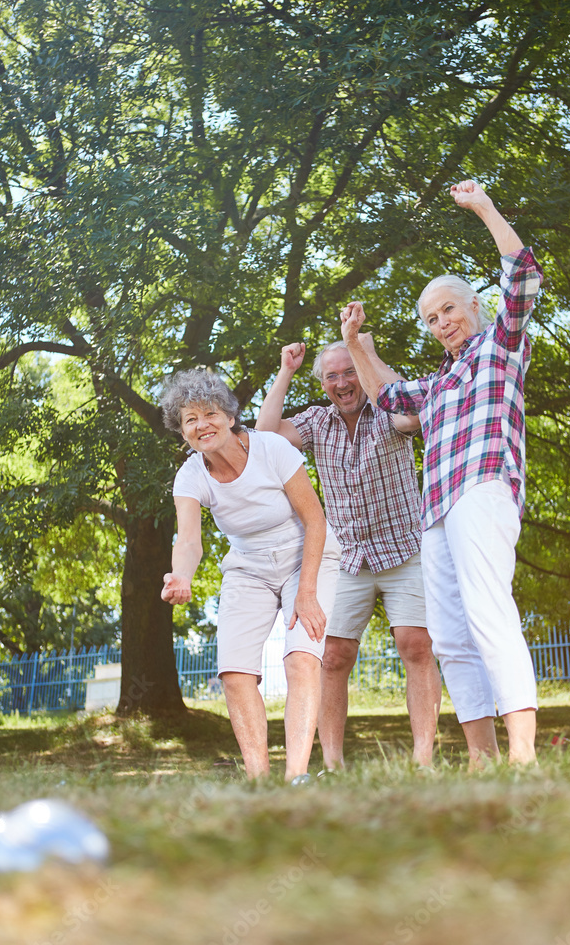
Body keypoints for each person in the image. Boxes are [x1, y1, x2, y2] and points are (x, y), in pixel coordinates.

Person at [341, 178, 542, 767]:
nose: (441, 323)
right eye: (431, 318)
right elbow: (390, 402)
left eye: (448, 309)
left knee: (488, 611)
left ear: (473, 306)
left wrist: (482, 205)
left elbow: (523, 277)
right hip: (438, 511)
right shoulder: (439, 383)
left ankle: (523, 753)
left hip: (483, 490)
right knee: (451, 635)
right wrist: (356, 345)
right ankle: (481, 756)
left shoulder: (498, 347)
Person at [256, 337, 442, 770]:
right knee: (333, 656)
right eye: (332, 375)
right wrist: (285, 370)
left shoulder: (389, 411)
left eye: (350, 371)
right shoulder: (317, 422)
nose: (343, 382)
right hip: (346, 558)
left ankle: (423, 761)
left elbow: (417, 415)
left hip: (404, 550)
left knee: (415, 645)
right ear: (322, 384)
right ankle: (333, 764)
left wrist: (365, 350)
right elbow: (264, 437)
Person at [159, 369, 341, 782]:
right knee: (234, 671)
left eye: (209, 414)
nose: (201, 425)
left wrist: (307, 593)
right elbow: (188, 540)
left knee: (300, 658)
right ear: (182, 430)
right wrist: (180, 576)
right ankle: (259, 782)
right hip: (248, 566)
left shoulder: (271, 448)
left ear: (228, 415)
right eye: (190, 419)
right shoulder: (191, 474)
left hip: (305, 556)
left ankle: (296, 777)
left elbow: (316, 520)